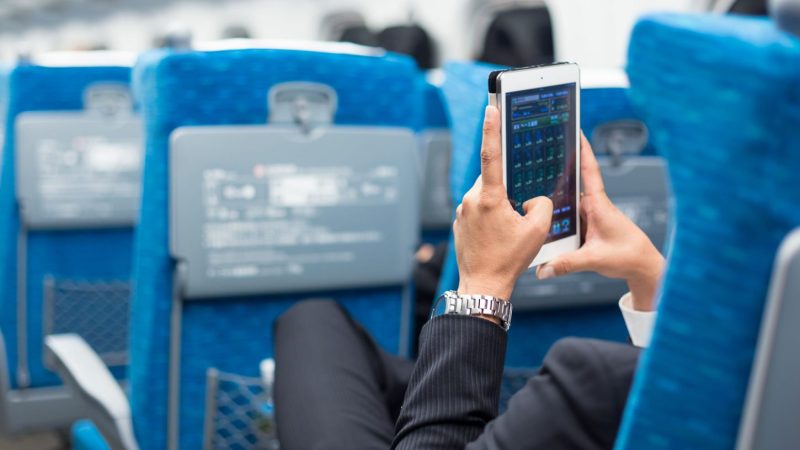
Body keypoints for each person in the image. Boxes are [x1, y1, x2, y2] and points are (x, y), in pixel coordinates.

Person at [272, 105, 665, 449]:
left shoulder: (590, 379)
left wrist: (482, 288)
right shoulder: (715, 390)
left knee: (309, 325)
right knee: (314, 322)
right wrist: (650, 279)